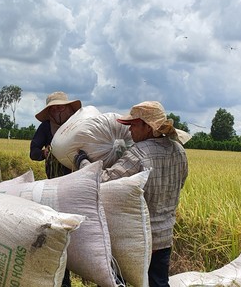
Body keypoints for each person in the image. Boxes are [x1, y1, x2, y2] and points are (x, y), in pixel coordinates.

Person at [75, 101, 188, 287]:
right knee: (158, 283)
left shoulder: (139, 153)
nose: (130, 131)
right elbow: (180, 184)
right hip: (164, 238)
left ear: (148, 127)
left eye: (134, 125)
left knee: (115, 281)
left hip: (135, 238)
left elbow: (103, 181)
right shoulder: (180, 151)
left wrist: (83, 162)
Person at [30, 91, 81, 287]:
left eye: (62, 107)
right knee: (61, 235)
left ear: (69, 108)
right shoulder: (45, 128)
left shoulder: (79, 125)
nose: (58, 110)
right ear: (49, 112)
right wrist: (44, 152)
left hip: (78, 186)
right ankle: (63, 280)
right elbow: (33, 152)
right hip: (56, 188)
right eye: (54, 108)